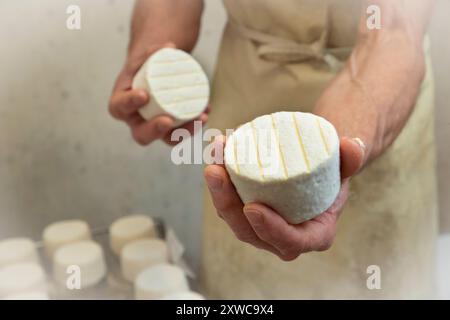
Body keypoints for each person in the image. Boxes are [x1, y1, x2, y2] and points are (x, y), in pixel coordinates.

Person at [109, 0, 438, 299]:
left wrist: (326, 159)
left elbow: (394, 30)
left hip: (377, 93)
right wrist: (155, 51)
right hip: (246, 98)